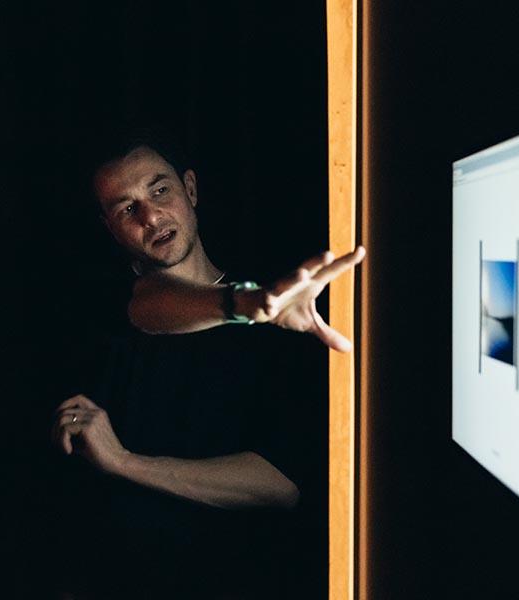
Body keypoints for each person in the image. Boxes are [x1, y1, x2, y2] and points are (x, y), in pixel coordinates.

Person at [50, 136, 364, 599]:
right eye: (126, 209)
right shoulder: (105, 311)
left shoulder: (276, 326)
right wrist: (244, 304)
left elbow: (282, 484)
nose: (150, 217)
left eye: (160, 191)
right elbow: (150, 304)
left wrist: (125, 463)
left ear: (191, 189)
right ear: (110, 227)